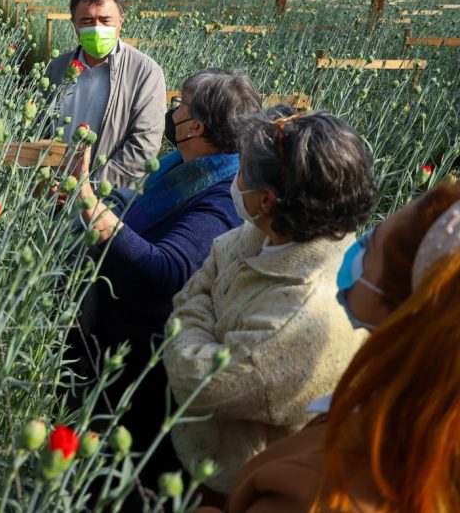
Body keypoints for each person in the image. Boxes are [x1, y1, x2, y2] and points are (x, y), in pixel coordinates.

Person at [196, 181, 460, 513]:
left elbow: (200, 383)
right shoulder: (412, 430)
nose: (356, 248)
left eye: (372, 243)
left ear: (407, 312)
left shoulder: (322, 489)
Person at [163, 110, 376, 497]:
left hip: (237, 484)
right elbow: (211, 266)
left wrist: (195, 315)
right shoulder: (268, 234)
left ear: (265, 200)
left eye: (241, 171)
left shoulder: (302, 315)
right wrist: (202, 315)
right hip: (204, 447)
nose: (235, 179)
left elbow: (195, 380)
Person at [73, 69, 262, 491]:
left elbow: (168, 270)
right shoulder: (186, 165)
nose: (172, 110)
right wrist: (106, 198)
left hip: (150, 358)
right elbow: (141, 206)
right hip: (115, 335)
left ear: (195, 125)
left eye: (181, 104)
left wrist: (91, 208)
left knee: (132, 472)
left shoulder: (224, 192)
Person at [45, 0, 165, 189]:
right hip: (53, 193)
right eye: (87, 21)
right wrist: (45, 179)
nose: (96, 28)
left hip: (107, 197)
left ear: (120, 22)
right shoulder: (57, 67)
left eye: (105, 20)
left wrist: (89, 189)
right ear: (74, 25)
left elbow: (144, 146)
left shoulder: (145, 72)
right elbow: (41, 128)